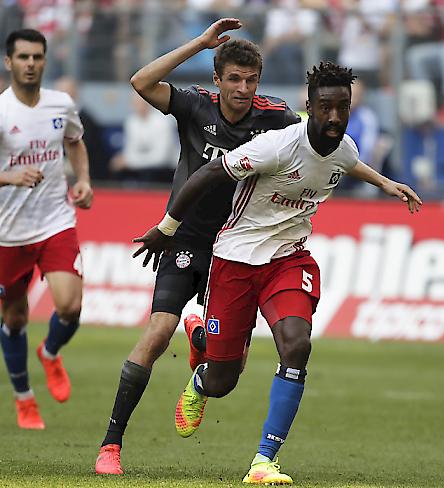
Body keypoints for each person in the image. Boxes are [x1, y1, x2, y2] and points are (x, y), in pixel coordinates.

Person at [132, 61, 422, 485]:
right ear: (309, 107)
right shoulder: (275, 145)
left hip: (288, 259)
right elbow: (211, 172)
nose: (336, 117)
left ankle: (264, 461)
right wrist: (167, 228)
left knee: (296, 344)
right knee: (223, 380)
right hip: (235, 260)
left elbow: (347, 162)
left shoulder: (346, 148)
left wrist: (386, 184)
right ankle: (200, 371)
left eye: (343, 108)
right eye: (326, 108)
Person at [94, 18, 302, 475]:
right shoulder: (194, 106)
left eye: (251, 80)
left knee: (234, 367)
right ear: (217, 78)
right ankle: (111, 445)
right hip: (183, 236)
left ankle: (202, 356)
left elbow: (314, 144)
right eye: (234, 78)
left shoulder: (276, 117)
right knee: (156, 333)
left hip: (238, 247)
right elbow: (140, 81)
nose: (243, 88)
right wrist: (203, 43)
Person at [0, 29, 93, 430]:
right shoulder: (1, 112)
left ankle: (51, 352)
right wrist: (9, 176)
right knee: (16, 318)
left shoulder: (61, 104)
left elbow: (75, 141)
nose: (31, 64)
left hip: (55, 219)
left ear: (45, 60)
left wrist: (84, 179)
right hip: (9, 231)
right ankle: (24, 399)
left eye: (37, 57)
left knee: (70, 305)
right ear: (9, 62)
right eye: (23, 57)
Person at [109, 92, 178, 184]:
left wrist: (130, 161)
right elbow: (130, 151)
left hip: (167, 169)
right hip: (141, 166)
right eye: (135, 103)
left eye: (142, 102)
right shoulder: (131, 122)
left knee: (149, 173)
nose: (138, 106)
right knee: (116, 168)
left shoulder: (163, 122)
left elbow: (161, 158)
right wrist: (128, 160)